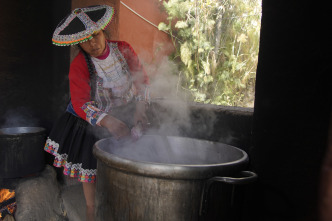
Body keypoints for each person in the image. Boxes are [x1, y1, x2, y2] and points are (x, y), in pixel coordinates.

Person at [44, 5, 150, 221]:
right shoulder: (80, 64)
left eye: (95, 35)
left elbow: (142, 80)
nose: (92, 43)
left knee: (132, 155)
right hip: (93, 120)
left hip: (127, 110)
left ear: (103, 32)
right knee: (90, 167)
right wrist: (108, 122)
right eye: (84, 40)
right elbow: (81, 103)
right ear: (78, 43)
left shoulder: (123, 49)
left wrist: (140, 108)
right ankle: (91, 210)